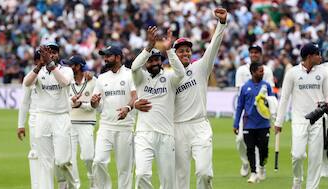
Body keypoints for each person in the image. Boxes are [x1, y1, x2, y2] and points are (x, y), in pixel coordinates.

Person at [135, 8, 227, 189]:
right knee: (180, 180)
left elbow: (214, 45)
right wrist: (134, 104)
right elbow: (152, 97)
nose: (185, 53)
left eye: (188, 51)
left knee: (204, 172)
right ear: (174, 54)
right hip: (177, 129)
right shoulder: (169, 76)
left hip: (199, 125)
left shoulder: (201, 67)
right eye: (181, 51)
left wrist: (221, 24)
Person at [131, 26, 185, 189]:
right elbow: (134, 67)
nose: (155, 63)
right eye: (151, 60)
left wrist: (169, 51)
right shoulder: (140, 78)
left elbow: (181, 73)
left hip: (166, 134)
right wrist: (149, 46)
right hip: (143, 134)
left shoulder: (169, 78)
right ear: (146, 62)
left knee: (168, 181)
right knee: (141, 174)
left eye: (157, 60)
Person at [23, 42, 78, 189]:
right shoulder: (38, 71)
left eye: (53, 52)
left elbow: (65, 83)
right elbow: (26, 83)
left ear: (58, 54)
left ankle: (73, 185)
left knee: (62, 160)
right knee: (45, 162)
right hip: (42, 117)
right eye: (47, 52)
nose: (50, 55)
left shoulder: (66, 70)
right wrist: (39, 65)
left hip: (61, 117)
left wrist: (51, 64)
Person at [275, 43, 328, 189]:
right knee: (297, 155)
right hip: (299, 120)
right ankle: (297, 179)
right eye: (318, 54)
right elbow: (284, 98)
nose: (320, 57)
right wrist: (279, 122)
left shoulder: (323, 72)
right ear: (310, 56)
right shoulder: (292, 73)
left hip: (318, 120)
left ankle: (312, 187)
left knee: (315, 158)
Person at [91, 46, 137, 189]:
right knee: (98, 161)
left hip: (125, 128)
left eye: (108, 56)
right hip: (105, 127)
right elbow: (97, 105)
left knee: (124, 169)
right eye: (104, 56)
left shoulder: (130, 75)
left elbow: (136, 96)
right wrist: (94, 103)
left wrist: (127, 108)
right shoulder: (102, 78)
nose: (105, 59)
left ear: (118, 57)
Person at [234, 45, 275, 177]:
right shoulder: (241, 70)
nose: (254, 55)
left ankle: (259, 167)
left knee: (262, 144)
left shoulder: (267, 70)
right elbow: (241, 93)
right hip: (248, 114)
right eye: (251, 52)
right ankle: (246, 163)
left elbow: (270, 92)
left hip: (263, 113)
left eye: (256, 52)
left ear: (260, 54)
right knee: (240, 140)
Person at [64, 55, 97, 188]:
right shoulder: (66, 81)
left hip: (87, 123)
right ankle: (75, 186)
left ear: (78, 67)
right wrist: (73, 104)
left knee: (88, 157)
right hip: (70, 123)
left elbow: (95, 105)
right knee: (70, 159)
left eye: (71, 65)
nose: (68, 68)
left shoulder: (93, 80)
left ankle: (93, 181)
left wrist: (81, 105)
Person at [17, 49, 41, 189]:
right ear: (36, 61)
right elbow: (24, 103)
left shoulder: (57, 74)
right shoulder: (29, 78)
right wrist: (21, 124)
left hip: (54, 118)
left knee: (58, 157)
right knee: (35, 154)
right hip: (35, 118)